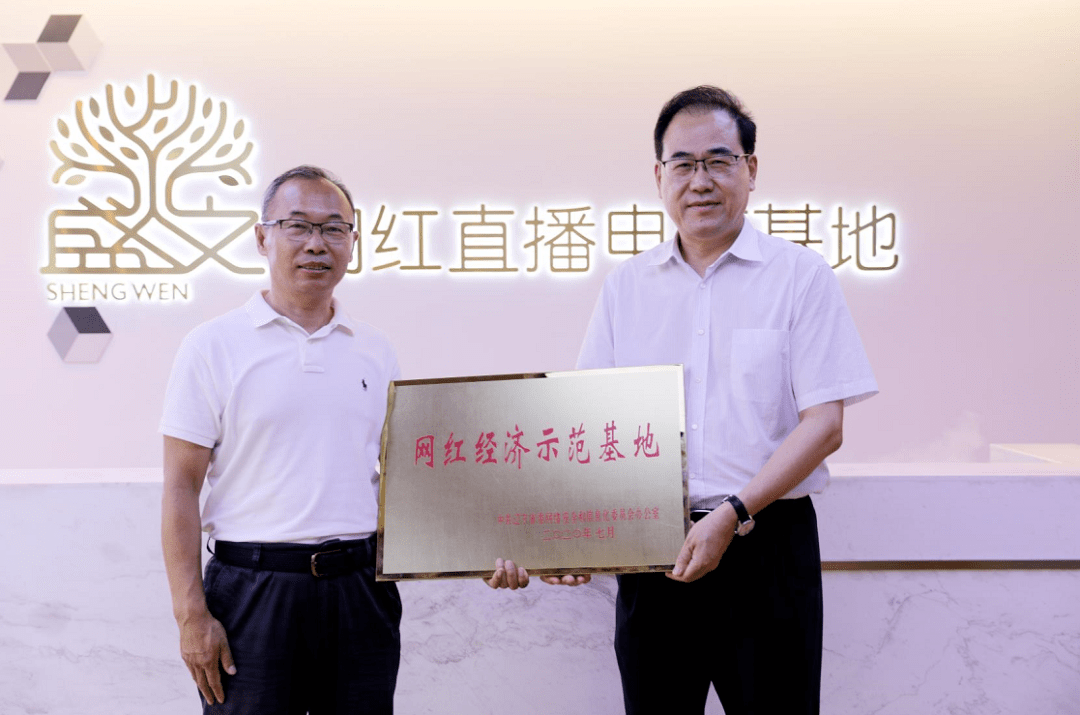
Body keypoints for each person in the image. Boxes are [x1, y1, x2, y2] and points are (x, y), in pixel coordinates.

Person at [492, 86, 878, 714]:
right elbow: (589, 424)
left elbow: (825, 425)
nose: (700, 180)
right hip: (653, 550)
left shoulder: (800, 277)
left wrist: (732, 512)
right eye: (683, 164)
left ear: (751, 169)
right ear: (659, 177)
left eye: (719, 161)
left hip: (765, 545)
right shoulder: (627, 287)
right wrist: (560, 541)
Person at [160, 165, 402, 714]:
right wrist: (190, 615)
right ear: (262, 237)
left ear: (352, 242)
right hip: (252, 594)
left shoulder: (375, 350)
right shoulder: (211, 346)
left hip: (360, 591)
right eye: (298, 226)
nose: (317, 243)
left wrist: (487, 549)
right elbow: (179, 487)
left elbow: (400, 478)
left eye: (334, 229)